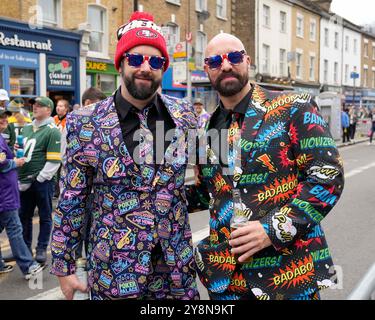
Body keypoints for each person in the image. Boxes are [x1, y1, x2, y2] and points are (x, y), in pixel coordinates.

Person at [50, 11, 199, 300]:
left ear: (163, 68)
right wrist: (64, 266)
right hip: (115, 274)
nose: (145, 67)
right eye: (136, 59)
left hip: (175, 272)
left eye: (155, 61)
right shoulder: (84, 123)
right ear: (120, 63)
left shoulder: (184, 117)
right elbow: (72, 200)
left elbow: (202, 183)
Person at [188, 33, 344, 300]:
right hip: (226, 284)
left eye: (234, 57)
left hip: (287, 278)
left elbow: (327, 177)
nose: (225, 66)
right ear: (206, 69)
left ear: (247, 60)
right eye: (215, 61)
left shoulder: (293, 107)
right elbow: (208, 193)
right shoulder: (207, 129)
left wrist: (273, 229)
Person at [0, 104, 44, 279]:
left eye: (5, 117)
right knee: (15, 229)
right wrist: (15, 163)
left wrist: (13, 157)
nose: (4, 120)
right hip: (4, 195)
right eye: (0, 117)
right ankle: (29, 266)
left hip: (6, 192)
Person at [17, 97, 62, 265]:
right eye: (33, 105)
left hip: (42, 180)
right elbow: (22, 151)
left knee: (44, 215)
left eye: (39, 105)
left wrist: (41, 177)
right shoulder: (26, 128)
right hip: (25, 179)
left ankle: (42, 247)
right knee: (24, 216)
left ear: (48, 110)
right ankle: (25, 248)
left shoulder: (52, 130)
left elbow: (54, 160)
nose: (35, 107)